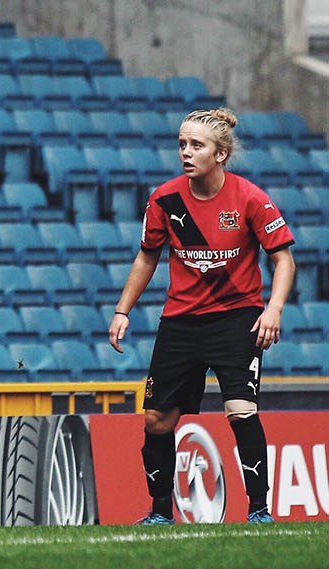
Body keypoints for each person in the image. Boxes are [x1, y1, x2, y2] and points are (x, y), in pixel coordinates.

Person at [108, 108, 295, 525]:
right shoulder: (165, 199)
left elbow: (284, 260)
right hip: (181, 322)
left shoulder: (250, 199)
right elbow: (146, 256)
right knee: (157, 419)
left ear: (221, 154)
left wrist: (274, 309)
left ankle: (259, 511)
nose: (186, 153)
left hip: (236, 318)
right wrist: (123, 311)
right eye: (182, 144)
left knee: (240, 410)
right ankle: (159, 513)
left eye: (197, 145)